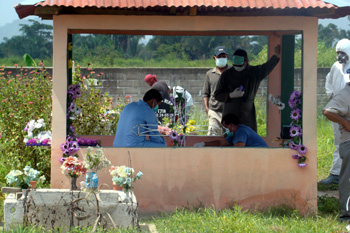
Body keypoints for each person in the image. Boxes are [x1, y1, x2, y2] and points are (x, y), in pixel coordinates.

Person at [214, 45, 281, 132]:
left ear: (246, 62)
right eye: (235, 65)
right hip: (230, 116)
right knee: (229, 142)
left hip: (247, 117)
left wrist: (276, 56)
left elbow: (267, 67)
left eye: (239, 65)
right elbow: (217, 95)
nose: (237, 67)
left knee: (248, 140)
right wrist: (230, 95)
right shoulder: (227, 74)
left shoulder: (254, 73)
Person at [321, 38, 350, 185]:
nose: (340, 56)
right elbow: (328, 81)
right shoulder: (335, 66)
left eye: (342, 53)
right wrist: (331, 96)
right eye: (338, 53)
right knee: (339, 141)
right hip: (337, 110)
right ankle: (336, 174)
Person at [323, 81, 350, 221]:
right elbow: (328, 111)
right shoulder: (345, 94)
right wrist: (346, 123)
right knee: (348, 180)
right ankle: (347, 215)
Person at [193, 114, 268, 147]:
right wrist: (203, 144)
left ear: (231, 125)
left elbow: (238, 149)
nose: (226, 130)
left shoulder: (241, 131)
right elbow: (221, 143)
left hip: (261, 155)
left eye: (226, 127)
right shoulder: (234, 134)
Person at [202, 46, 229, 135]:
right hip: (214, 111)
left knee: (229, 138)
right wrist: (207, 109)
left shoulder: (232, 72)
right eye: (219, 57)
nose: (222, 59)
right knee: (212, 135)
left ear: (227, 57)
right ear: (214, 58)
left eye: (223, 56)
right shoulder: (210, 74)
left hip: (229, 112)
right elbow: (205, 93)